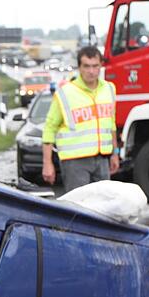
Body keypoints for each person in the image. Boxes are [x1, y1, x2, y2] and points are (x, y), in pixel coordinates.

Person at [41, 46, 119, 192]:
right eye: (86, 66)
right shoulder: (65, 93)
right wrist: (47, 163)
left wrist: (115, 153)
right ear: (79, 67)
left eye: (95, 66)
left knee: (103, 207)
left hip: (102, 159)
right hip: (75, 162)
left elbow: (111, 124)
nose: (91, 71)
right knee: (79, 208)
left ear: (101, 65)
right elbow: (49, 128)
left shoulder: (109, 89)